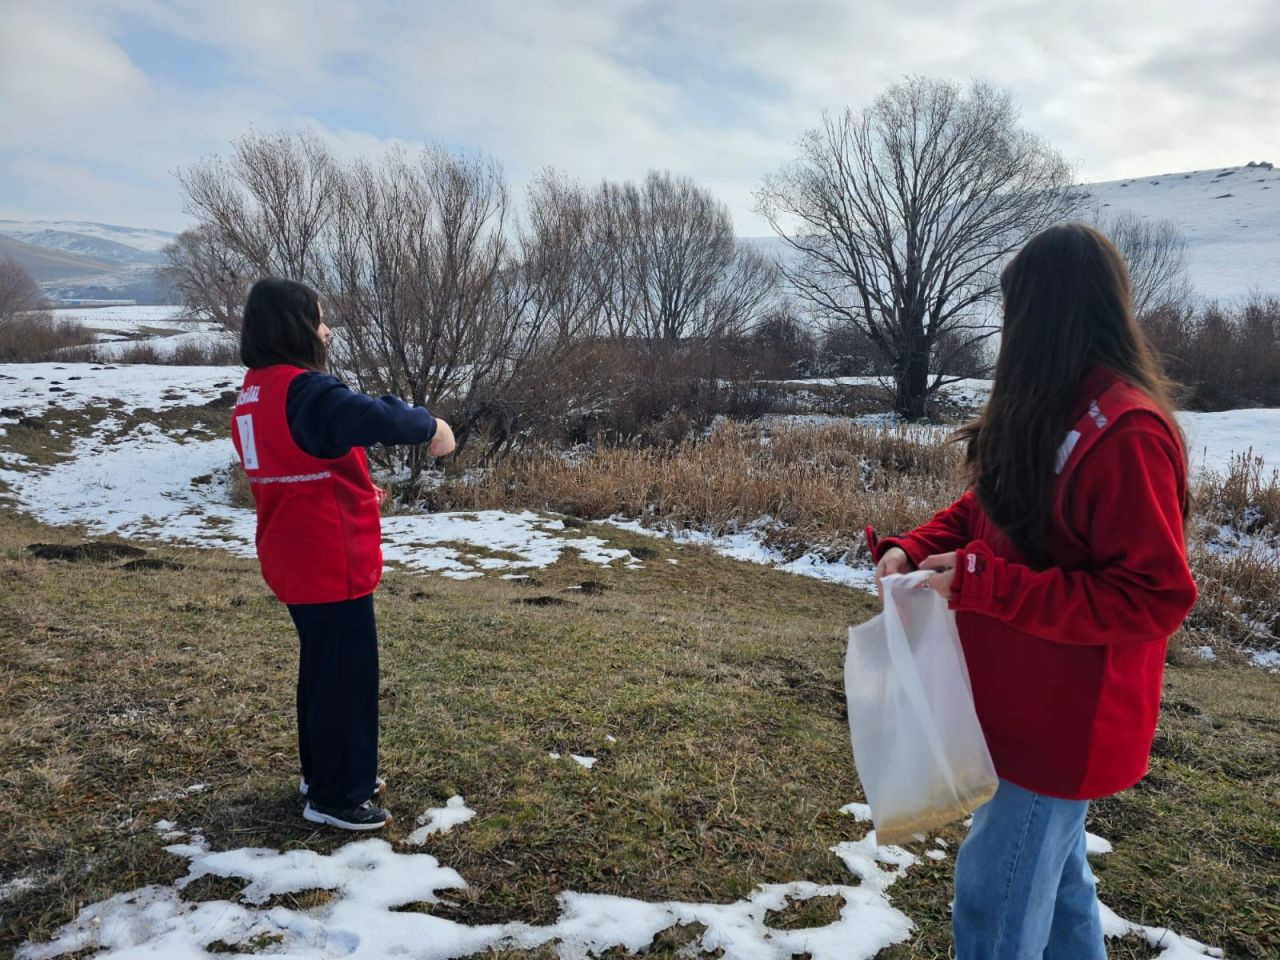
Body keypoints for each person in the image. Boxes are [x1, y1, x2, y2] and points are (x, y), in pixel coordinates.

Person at [870, 224, 1197, 959]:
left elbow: (1151, 596)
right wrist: (911, 546)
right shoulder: (1051, 407)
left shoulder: (1126, 432)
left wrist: (990, 584)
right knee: (1059, 883)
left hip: (1066, 724)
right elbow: (988, 506)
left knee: (997, 896)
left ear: (1044, 316)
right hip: (1018, 705)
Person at [231, 277, 456, 831]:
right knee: (347, 679)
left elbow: (298, 465)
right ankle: (338, 796)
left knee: (322, 672)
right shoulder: (305, 390)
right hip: (329, 561)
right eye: (319, 318)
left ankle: (323, 774)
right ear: (295, 327)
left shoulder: (255, 390)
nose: (326, 330)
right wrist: (432, 425)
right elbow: (370, 415)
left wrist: (352, 489)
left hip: (291, 553)